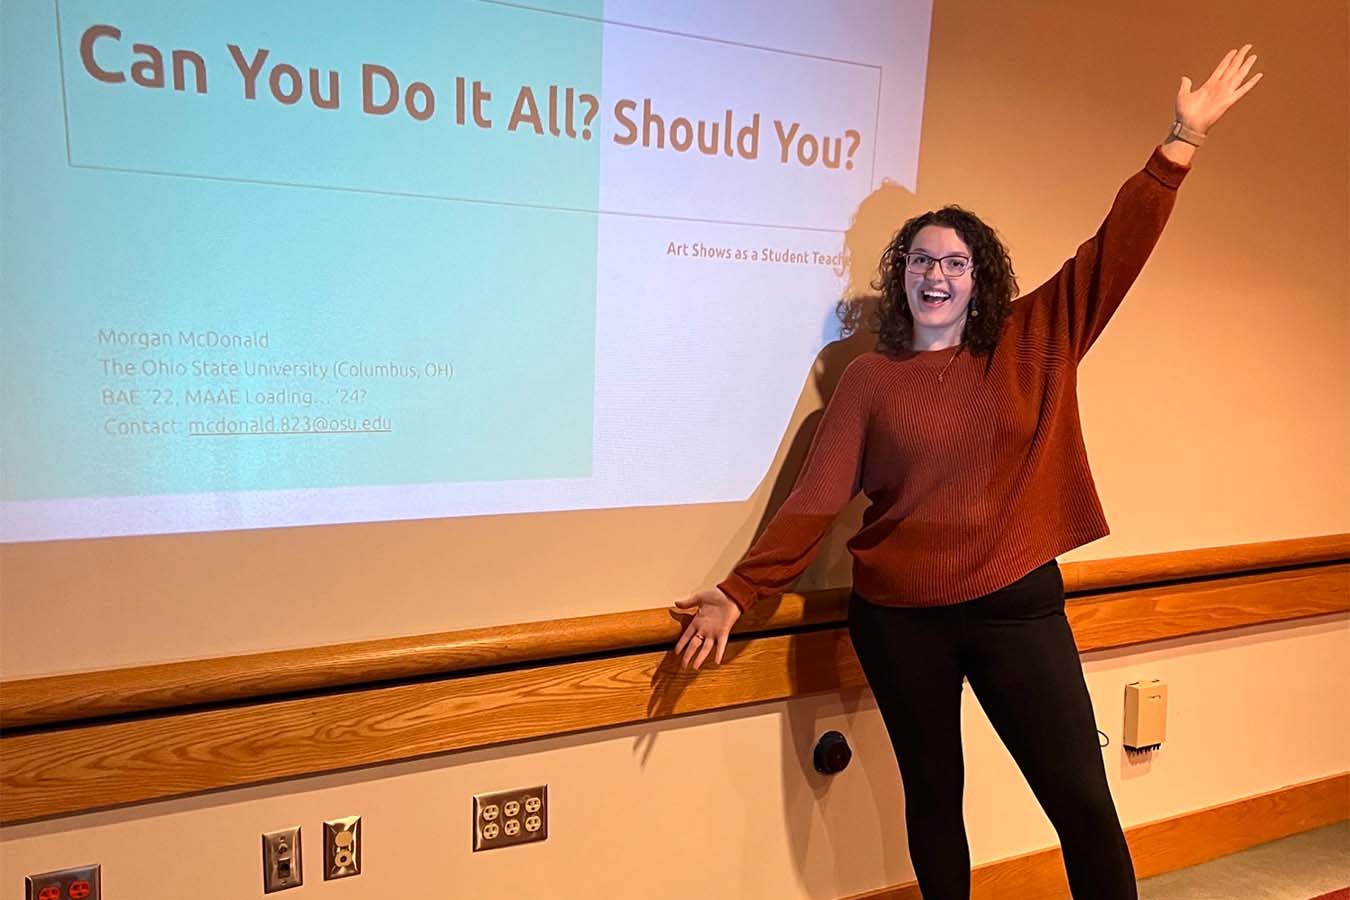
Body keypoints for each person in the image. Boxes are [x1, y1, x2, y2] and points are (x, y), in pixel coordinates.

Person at [671, 46, 1262, 900]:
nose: (934, 275)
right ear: (900, 277)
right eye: (919, 261)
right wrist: (738, 590)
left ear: (979, 277)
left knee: (1081, 803)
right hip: (900, 620)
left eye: (952, 262)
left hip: (1018, 608)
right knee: (934, 803)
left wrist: (1179, 143)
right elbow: (816, 499)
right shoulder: (871, 381)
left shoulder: (1032, 337)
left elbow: (1113, 253)